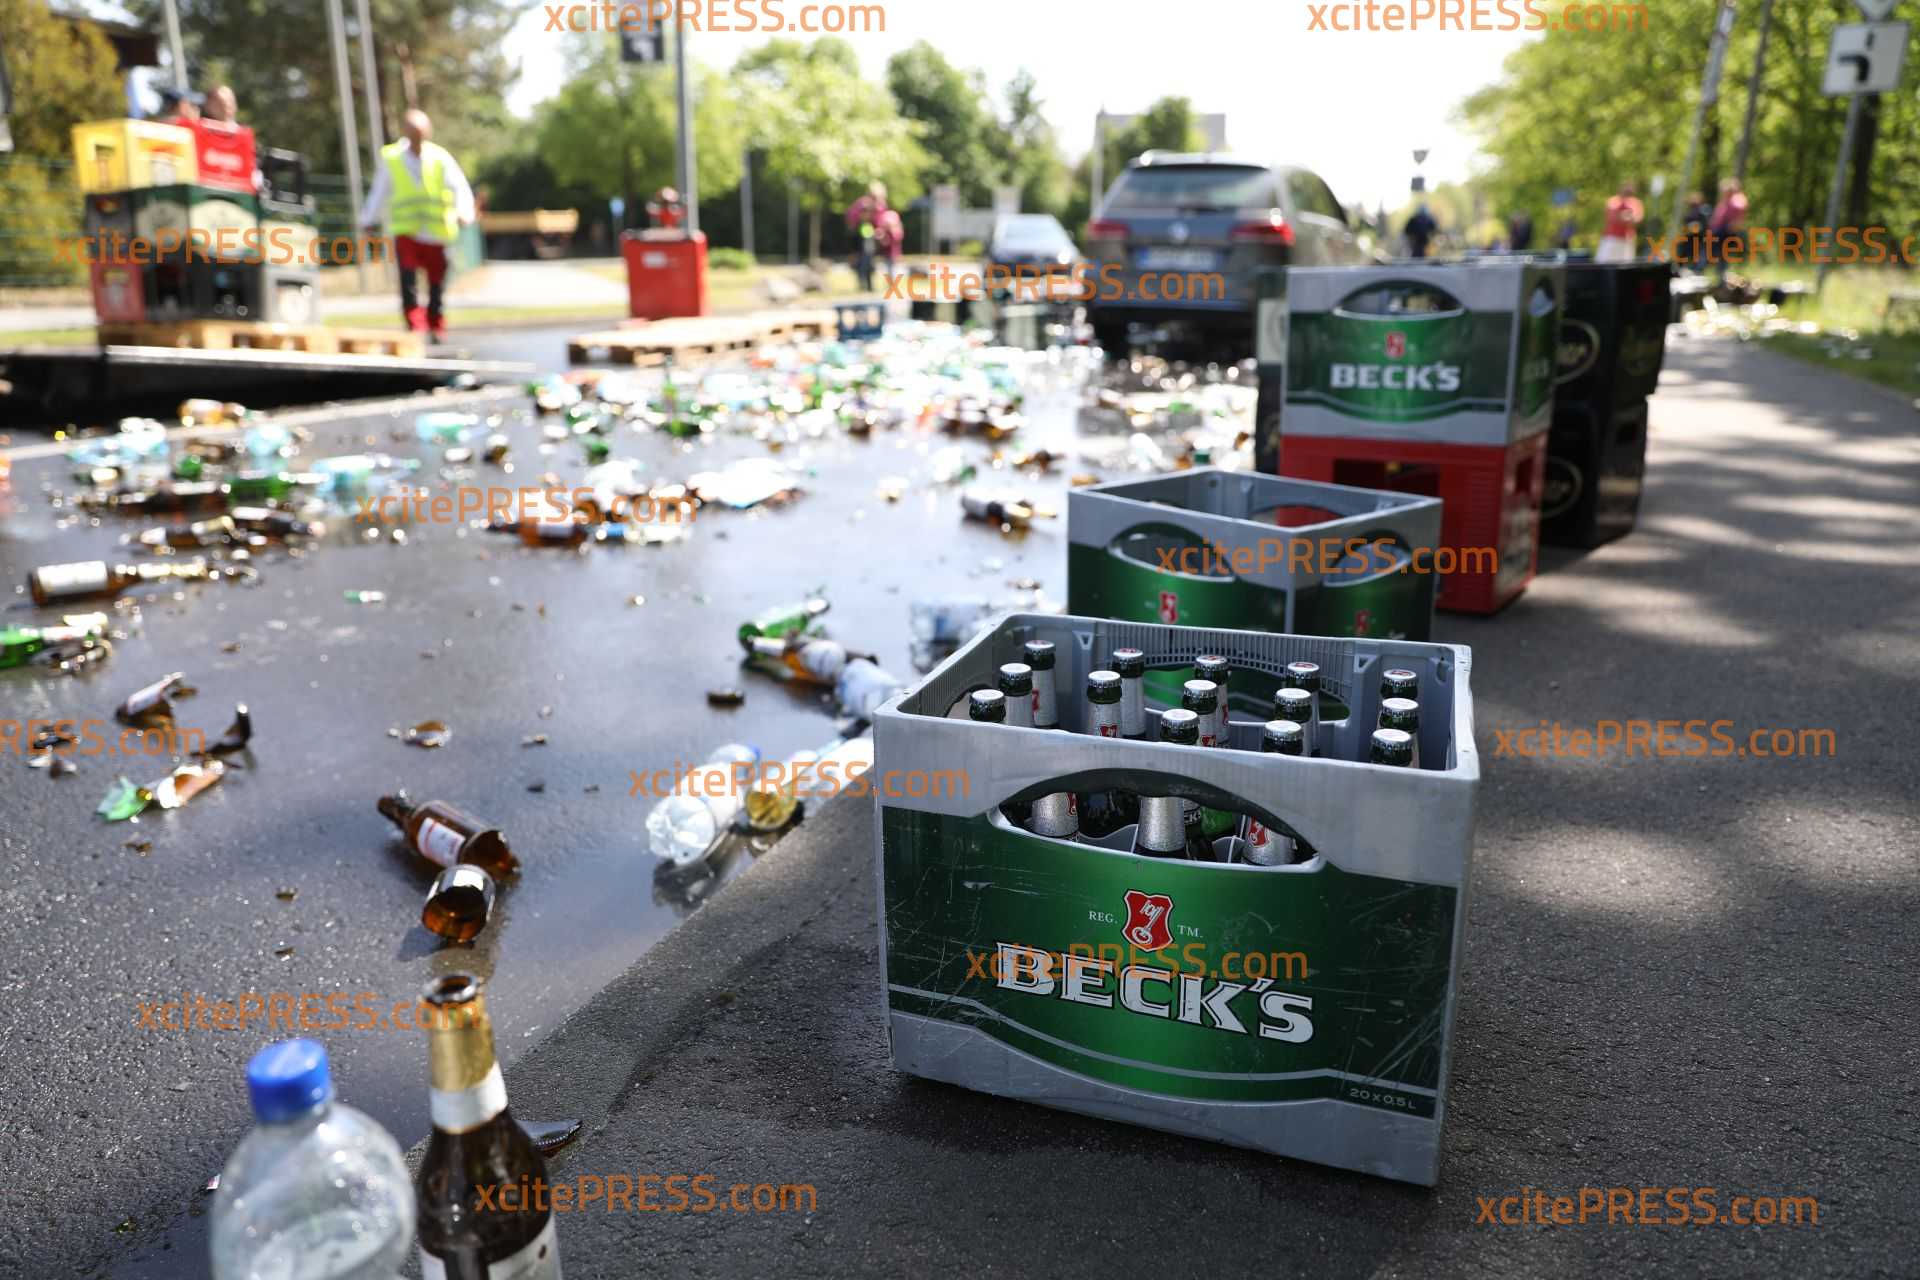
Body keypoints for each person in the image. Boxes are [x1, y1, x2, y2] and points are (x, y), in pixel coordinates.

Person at [359, 109, 475, 341]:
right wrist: (368, 219)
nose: (418, 138)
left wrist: (464, 212)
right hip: (407, 232)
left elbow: (459, 187)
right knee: (408, 279)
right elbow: (379, 190)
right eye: (414, 133)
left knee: (436, 282)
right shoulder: (392, 158)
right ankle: (414, 325)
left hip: (437, 233)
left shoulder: (440, 157)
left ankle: (436, 323)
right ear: (406, 132)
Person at [845, 182, 887, 292]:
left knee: (869, 261)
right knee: (863, 260)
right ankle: (863, 284)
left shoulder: (878, 204)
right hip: (861, 236)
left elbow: (879, 221)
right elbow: (856, 220)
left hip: (868, 236)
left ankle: (868, 284)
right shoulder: (864, 204)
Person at [1707, 177, 1748, 282]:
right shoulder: (1727, 200)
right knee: (1720, 254)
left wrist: (1733, 225)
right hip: (1721, 231)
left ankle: (1723, 274)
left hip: (1726, 231)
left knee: (1723, 253)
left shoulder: (1737, 199)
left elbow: (1738, 215)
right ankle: (1720, 274)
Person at [1596, 182, 1642, 263]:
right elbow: (1612, 218)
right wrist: (1625, 217)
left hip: (1628, 239)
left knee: (1626, 264)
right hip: (1612, 238)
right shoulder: (1614, 201)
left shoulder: (1635, 203)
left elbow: (1637, 219)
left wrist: (1625, 217)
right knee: (1604, 262)